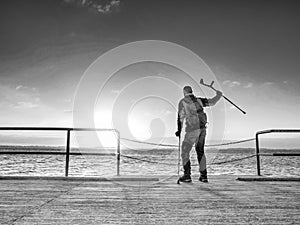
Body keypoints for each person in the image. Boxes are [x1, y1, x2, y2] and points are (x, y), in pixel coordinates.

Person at [175, 85, 222, 182]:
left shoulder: (183, 102)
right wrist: (218, 95)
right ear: (192, 91)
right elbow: (212, 102)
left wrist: (179, 131)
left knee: (185, 151)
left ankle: (187, 176)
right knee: (200, 151)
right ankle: (203, 176)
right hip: (202, 129)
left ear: (184, 92)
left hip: (192, 130)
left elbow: (180, 118)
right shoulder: (199, 100)